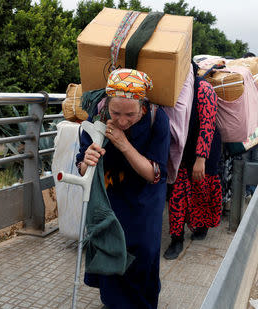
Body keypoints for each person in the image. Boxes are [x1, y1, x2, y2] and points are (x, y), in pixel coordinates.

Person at [76, 68, 170, 309]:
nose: (122, 120)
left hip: (145, 200)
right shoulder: (95, 118)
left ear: (143, 107)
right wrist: (87, 160)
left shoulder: (157, 118)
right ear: (107, 103)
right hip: (111, 197)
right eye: (116, 112)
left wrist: (123, 143)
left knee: (144, 253)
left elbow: (154, 174)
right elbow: (82, 170)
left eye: (131, 114)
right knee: (110, 250)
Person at [163, 62, 223, 260]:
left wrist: (201, 158)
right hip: (180, 150)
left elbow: (208, 124)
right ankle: (176, 238)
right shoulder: (171, 89)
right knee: (177, 195)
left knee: (202, 190)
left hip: (204, 149)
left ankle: (202, 224)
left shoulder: (203, 89)